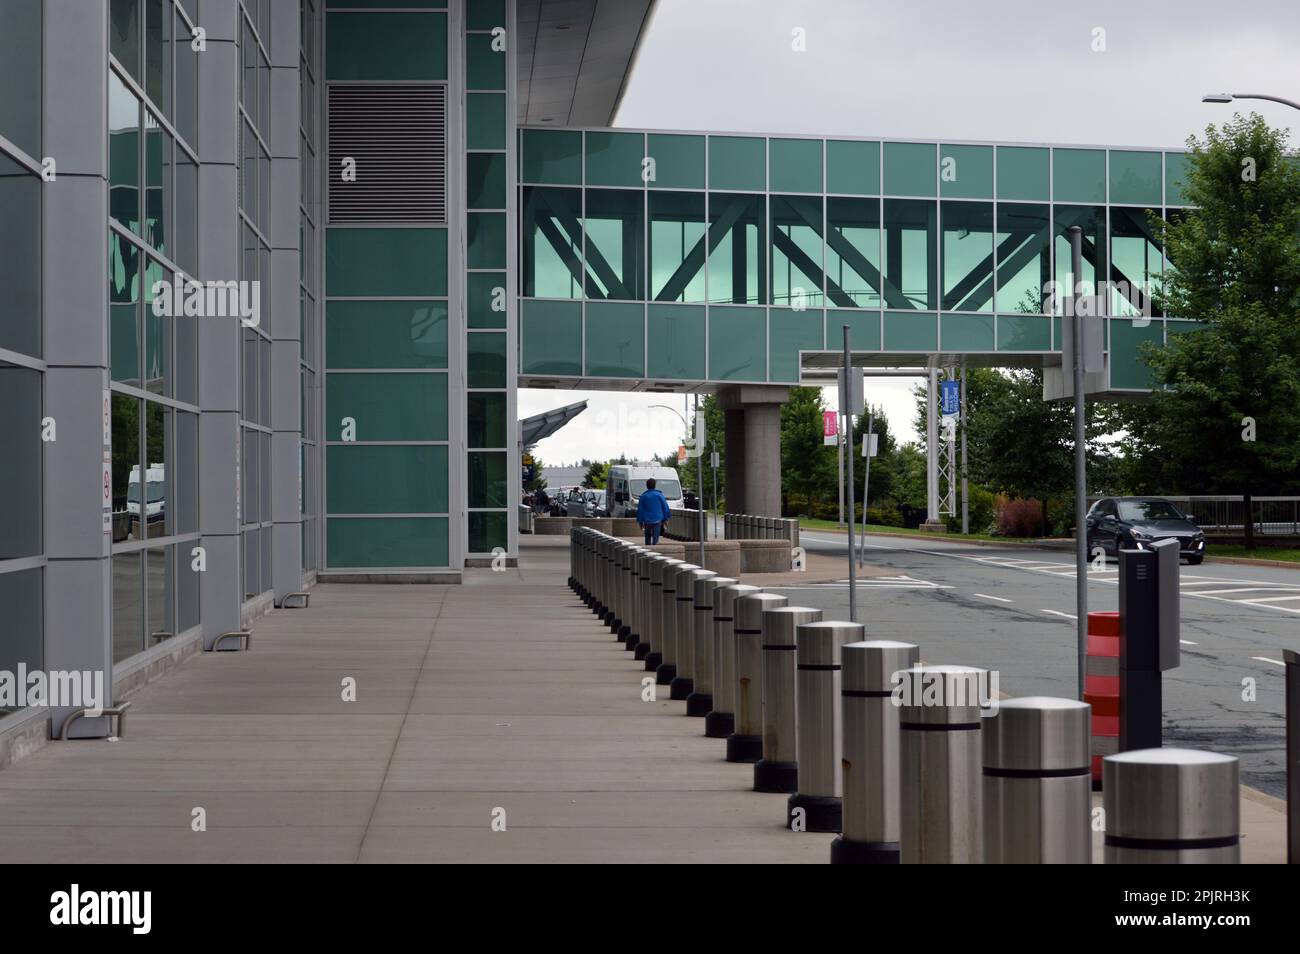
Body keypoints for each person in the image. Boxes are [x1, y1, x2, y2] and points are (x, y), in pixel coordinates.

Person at [636, 477, 672, 545]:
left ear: (647, 486)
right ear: (655, 486)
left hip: (647, 520)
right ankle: (655, 547)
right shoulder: (659, 495)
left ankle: (647, 549)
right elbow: (665, 507)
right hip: (657, 519)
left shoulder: (643, 496)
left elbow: (640, 510)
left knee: (647, 536)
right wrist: (666, 518)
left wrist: (640, 522)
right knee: (656, 537)